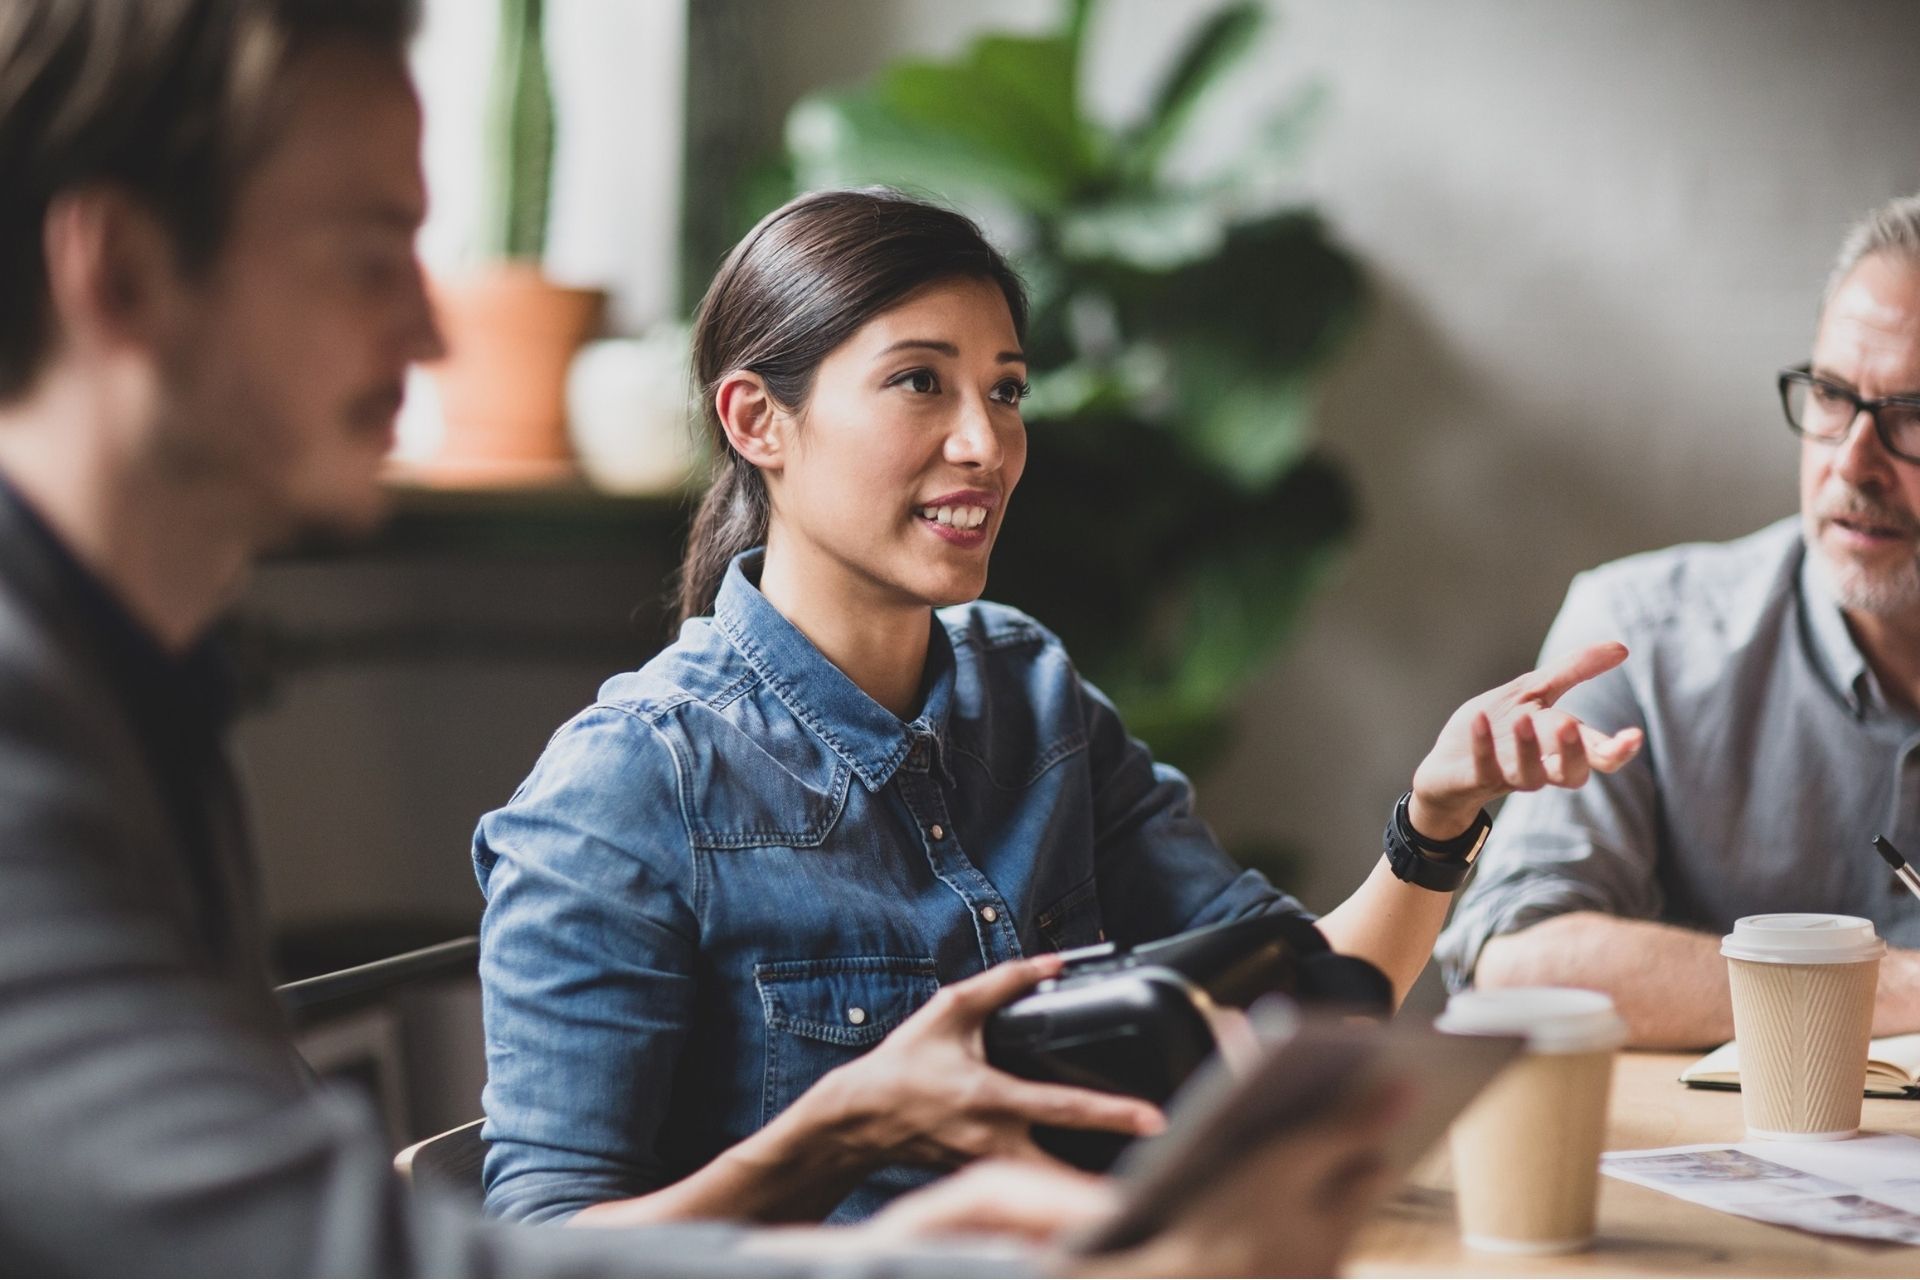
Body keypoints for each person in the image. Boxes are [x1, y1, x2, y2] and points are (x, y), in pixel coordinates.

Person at [0, 1, 1421, 1273]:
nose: (435, 332)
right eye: (370, 254)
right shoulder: (35, 734)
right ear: (119, 271)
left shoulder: (145, 698)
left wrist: (1434, 836)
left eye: (1005, 388)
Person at [473, 186, 1644, 1225]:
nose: (985, 443)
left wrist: (1437, 821)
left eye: (1008, 389)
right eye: (919, 381)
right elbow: (539, 1247)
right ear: (755, 419)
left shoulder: (1030, 689)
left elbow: (1303, 1000)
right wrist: (844, 1127)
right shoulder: (625, 786)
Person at [1437, 194, 1920, 1050]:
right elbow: (1514, 956)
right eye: (1833, 395)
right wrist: (1882, 989)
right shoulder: (1643, 635)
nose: (1855, 461)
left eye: (1915, 415)